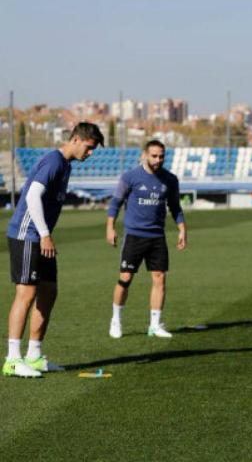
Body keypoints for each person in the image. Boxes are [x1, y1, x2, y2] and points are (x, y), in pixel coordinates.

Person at [4, 122, 104, 378]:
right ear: (75, 139)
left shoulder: (66, 165)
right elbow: (32, 196)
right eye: (89, 147)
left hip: (40, 236)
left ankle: (34, 356)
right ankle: (12, 360)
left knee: (49, 290)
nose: (90, 153)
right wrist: (45, 235)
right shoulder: (54, 162)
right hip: (27, 235)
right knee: (26, 293)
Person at [107, 140, 187, 339]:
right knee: (125, 279)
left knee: (160, 278)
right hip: (134, 236)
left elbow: (175, 207)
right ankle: (116, 319)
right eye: (154, 156)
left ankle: (155, 325)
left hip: (157, 236)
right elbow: (115, 203)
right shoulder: (130, 177)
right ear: (144, 155)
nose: (158, 160)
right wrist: (110, 227)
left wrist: (182, 230)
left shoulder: (170, 179)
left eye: (161, 156)